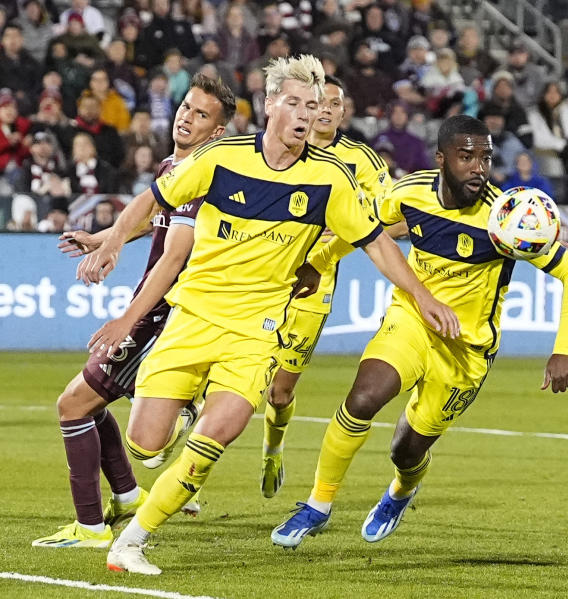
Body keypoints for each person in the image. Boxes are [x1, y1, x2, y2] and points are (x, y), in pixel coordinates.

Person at [75, 55, 457, 576]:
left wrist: (422, 295)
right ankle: (184, 410)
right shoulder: (221, 159)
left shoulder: (331, 179)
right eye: (295, 103)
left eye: (314, 106)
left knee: (219, 437)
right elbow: (150, 201)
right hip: (193, 319)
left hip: (255, 334)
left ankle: (132, 542)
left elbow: (376, 245)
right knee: (145, 444)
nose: (305, 114)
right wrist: (112, 241)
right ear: (270, 105)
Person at [270, 114, 568, 548]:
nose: (479, 167)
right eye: (466, 156)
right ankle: (317, 505)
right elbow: (366, 231)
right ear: (442, 159)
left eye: (486, 157)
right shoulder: (409, 193)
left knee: (407, 451)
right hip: (413, 321)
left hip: (466, 350)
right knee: (363, 398)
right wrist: (320, 262)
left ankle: (401, 490)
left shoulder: (505, 219)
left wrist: (564, 350)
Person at [31, 74, 236, 550]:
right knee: (91, 402)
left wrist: (128, 320)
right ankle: (125, 495)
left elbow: (174, 257)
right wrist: (106, 238)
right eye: (186, 107)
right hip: (153, 309)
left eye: (201, 114)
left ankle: (91, 528)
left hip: (165, 313)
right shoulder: (172, 165)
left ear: (218, 131)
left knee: (73, 405)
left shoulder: (204, 177)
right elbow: (152, 219)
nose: (187, 117)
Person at [259, 74, 393, 499]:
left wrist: (329, 251)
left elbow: (388, 214)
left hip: (314, 290)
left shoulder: (361, 161)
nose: (329, 110)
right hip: (263, 280)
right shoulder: (282, 150)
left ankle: (272, 449)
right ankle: (190, 481)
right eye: (322, 103)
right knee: (226, 382)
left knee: (280, 394)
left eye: (337, 104)